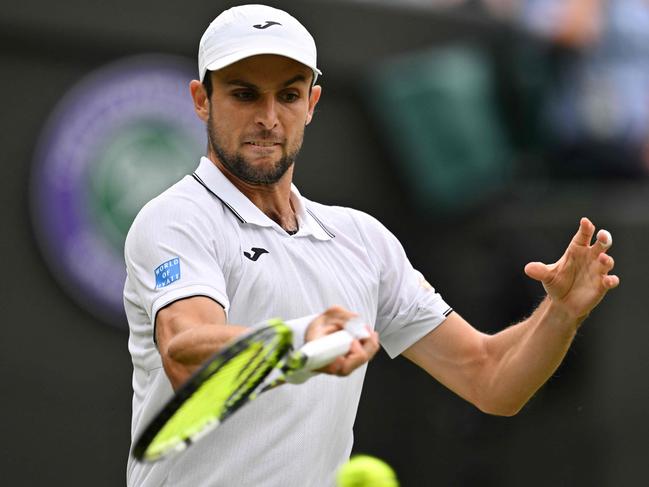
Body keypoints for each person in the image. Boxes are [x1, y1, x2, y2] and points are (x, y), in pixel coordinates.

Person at [124, 5, 619, 486]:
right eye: (245, 94)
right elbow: (186, 354)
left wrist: (559, 314)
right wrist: (300, 341)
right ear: (201, 99)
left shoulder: (363, 240)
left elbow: (490, 378)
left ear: (312, 104)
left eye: (289, 96)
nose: (269, 118)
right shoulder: (176, 218)